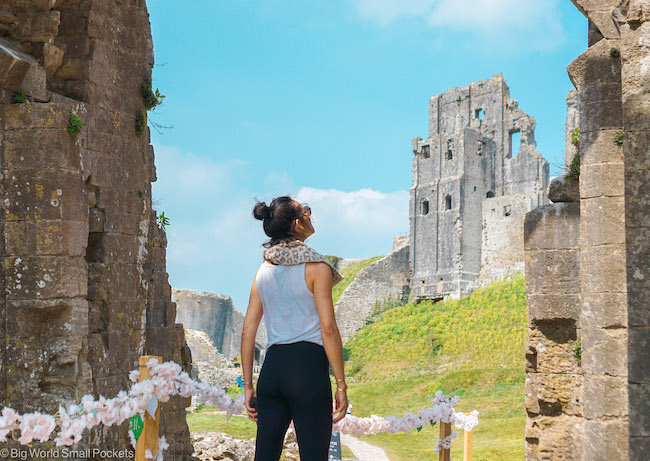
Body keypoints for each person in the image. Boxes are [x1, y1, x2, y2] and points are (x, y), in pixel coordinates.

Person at [240, 196, 349, 461]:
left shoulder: (263, 271)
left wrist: (248, 386)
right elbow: (328, 329)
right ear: (298, 223)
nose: (311, 215)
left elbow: (247, 331)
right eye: (306, 211)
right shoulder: (317, 268)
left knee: (264, 456)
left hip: (272, 370)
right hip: (307, 368)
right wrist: (341, 384)